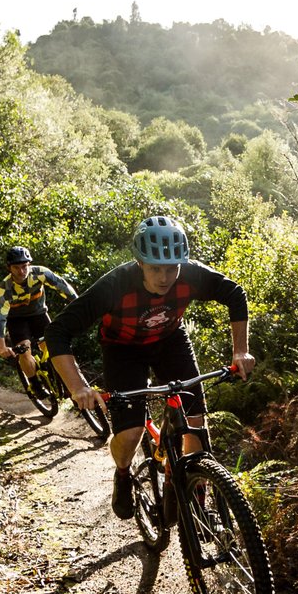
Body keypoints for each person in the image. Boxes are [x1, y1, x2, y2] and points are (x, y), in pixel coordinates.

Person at [47, 216, 256, 519]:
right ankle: (122, 474)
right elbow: (58, 332)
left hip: (170, 341)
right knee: (130, 434)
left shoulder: (191, 276)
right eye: (155, 268)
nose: (164, 277)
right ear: (139, 263)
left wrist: (241, 351)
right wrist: (78, 386)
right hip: (122, 350)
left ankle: (194, 498)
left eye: (172, 268)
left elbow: (235, 295)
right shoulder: (115, 286)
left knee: (195, 425)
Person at [0, 245, 77, 393]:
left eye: (24, 266)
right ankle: (35, 384)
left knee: (53, 346)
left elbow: (63, 287)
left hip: (39, 315)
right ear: (9, 268)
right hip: (16, 319)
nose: (21, 271)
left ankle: (61, 378)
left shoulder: (40, 273)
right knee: (24, 350)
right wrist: (1, 346)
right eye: (16, 268)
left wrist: (78, 306)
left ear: (29, 264)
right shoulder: (5, 288)